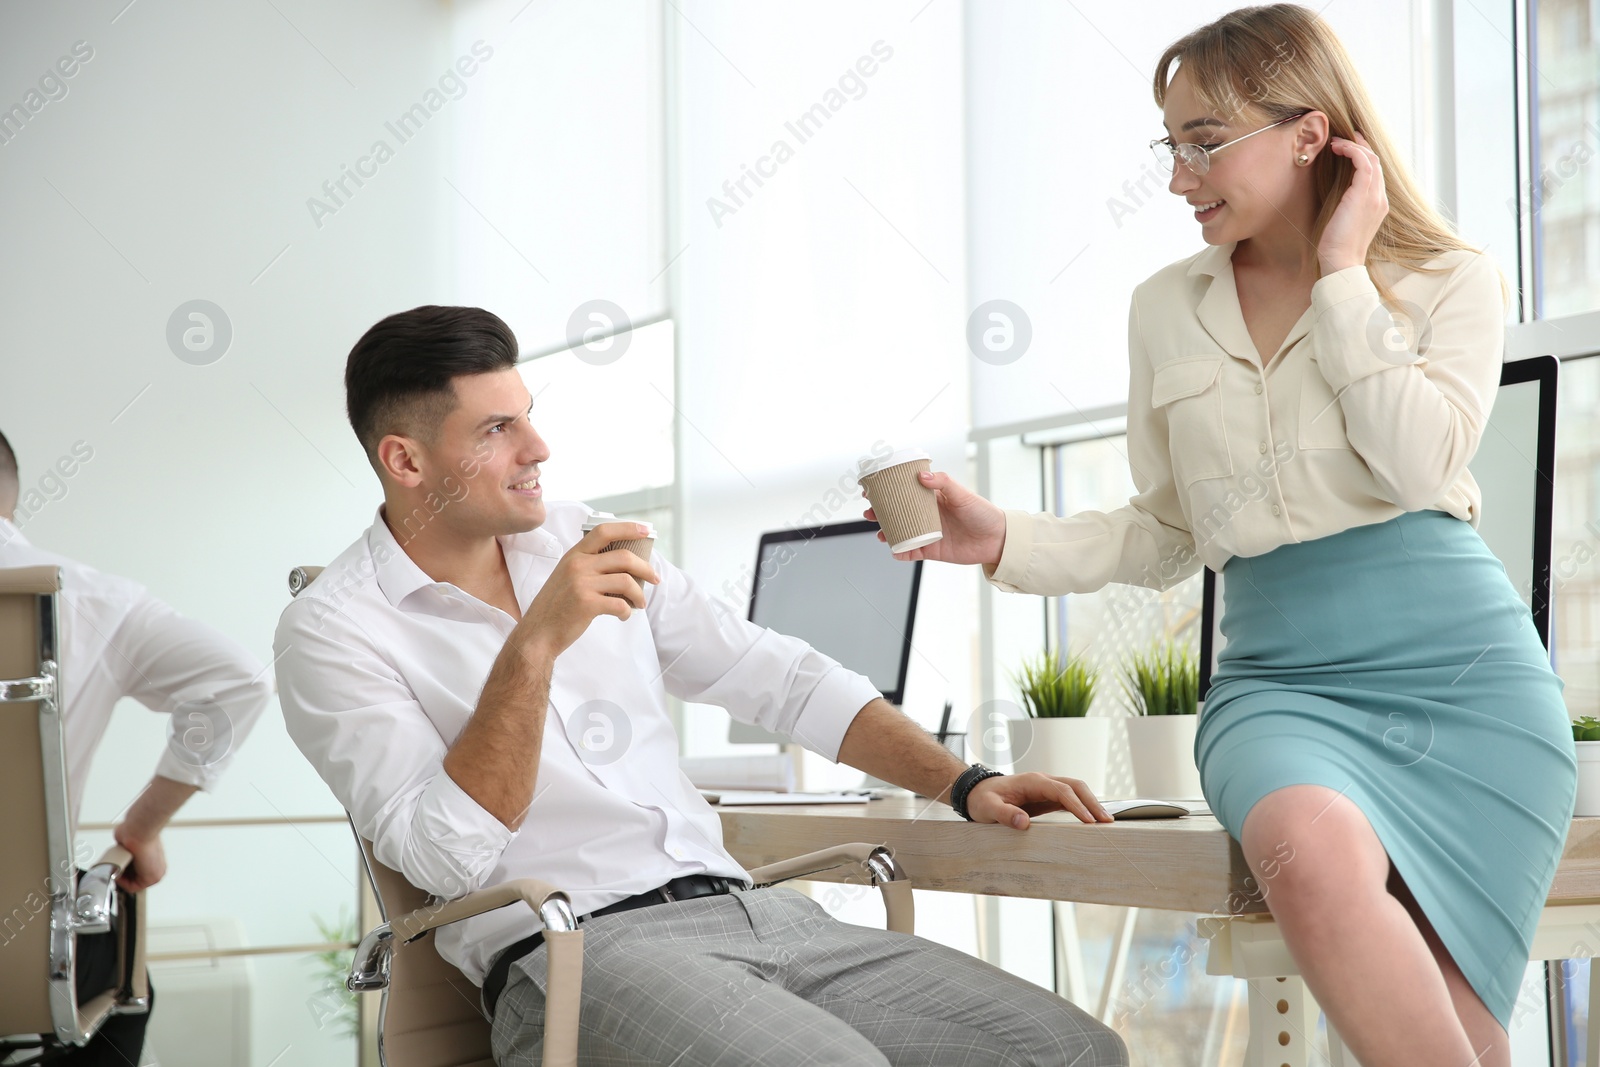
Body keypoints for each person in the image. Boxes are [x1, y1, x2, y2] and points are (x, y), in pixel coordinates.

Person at [867, 6, 1575, 1065]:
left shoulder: (1444, 278)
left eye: (1204, 141)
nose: (1176, 175)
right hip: (1280, 681)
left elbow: (1422, 465)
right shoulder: (1165, 306)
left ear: (1306, 133)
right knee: (1306, 845)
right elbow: (1164, 527)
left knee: (1459, 1032)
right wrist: (1000, 537)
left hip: (1464, 679)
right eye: (1171, 144)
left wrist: (1341, 274)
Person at [274, 305, 1129, 1067]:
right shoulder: (335, 627)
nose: (539, 449)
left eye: (530, 417)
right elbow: (444, 858)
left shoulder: (581, 536)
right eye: (497, 428)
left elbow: (779, 677)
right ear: (406, 460)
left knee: (1072, 1048)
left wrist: (964, 782)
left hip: (754, 914)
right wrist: (532, 648)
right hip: (574, 953)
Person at [0, 429, 272, 1066]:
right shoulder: (88, 600)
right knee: (127, 986)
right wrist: (141, 826)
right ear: (9, 495)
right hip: (27, 954)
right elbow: (240, 681)